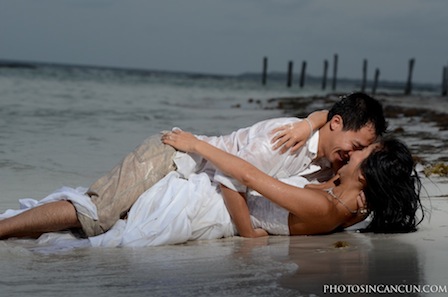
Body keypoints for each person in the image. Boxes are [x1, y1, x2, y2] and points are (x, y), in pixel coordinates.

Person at [0, 92, 386, 240]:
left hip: (188, 179)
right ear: (337, 125)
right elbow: (231, 179)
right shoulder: (283, 139)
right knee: (97, 215)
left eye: (360, 152)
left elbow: (373, 156)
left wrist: (314, 119)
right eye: (354, 146)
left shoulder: (326, 159)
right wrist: (247, 233)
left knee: (105, 223)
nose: (353, 155)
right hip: (173, 158)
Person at [162, 130, 424, 236]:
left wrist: (196, 144)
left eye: (361, 153)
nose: (352, 153)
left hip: (211, 206)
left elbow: (248, 176)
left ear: (365, 176)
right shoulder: (355, 209)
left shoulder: (324, 206)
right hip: (221, 196)